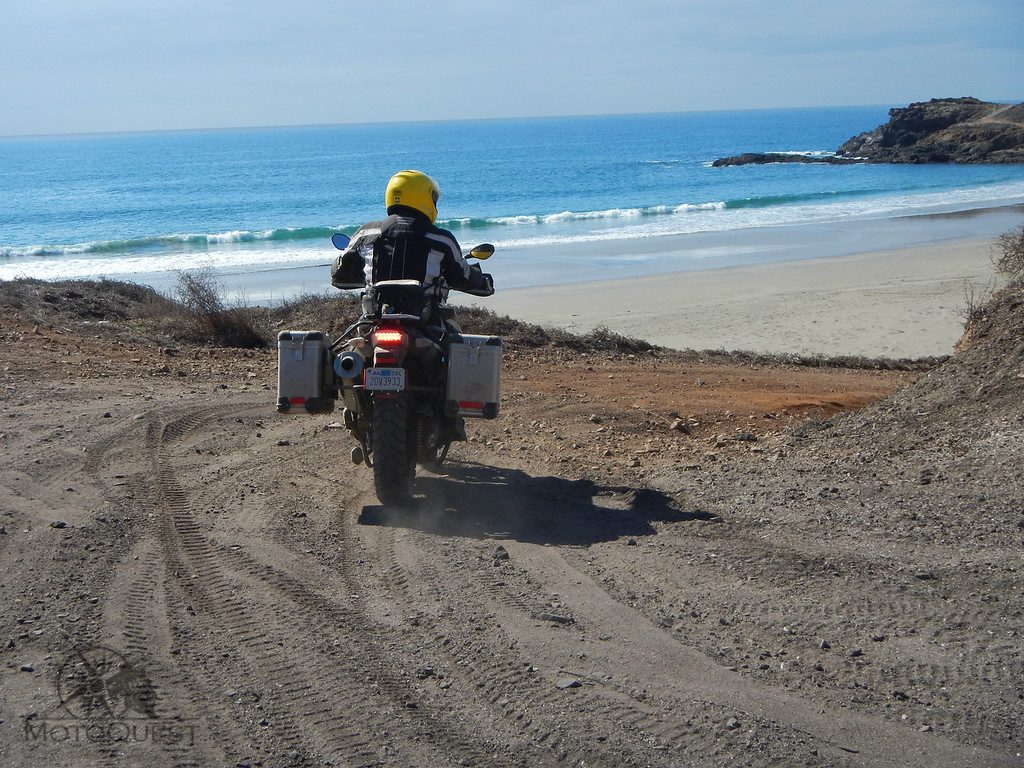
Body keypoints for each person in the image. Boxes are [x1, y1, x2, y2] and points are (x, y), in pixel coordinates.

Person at [331, 170, 493, 327]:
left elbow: (339, 272)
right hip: (425, 323)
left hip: (375, 320)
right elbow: (462, 277)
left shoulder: (366, 232)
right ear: (424, 198)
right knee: (452, 334)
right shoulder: (441, 239)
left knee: (353, 346)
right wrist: (482, 280)